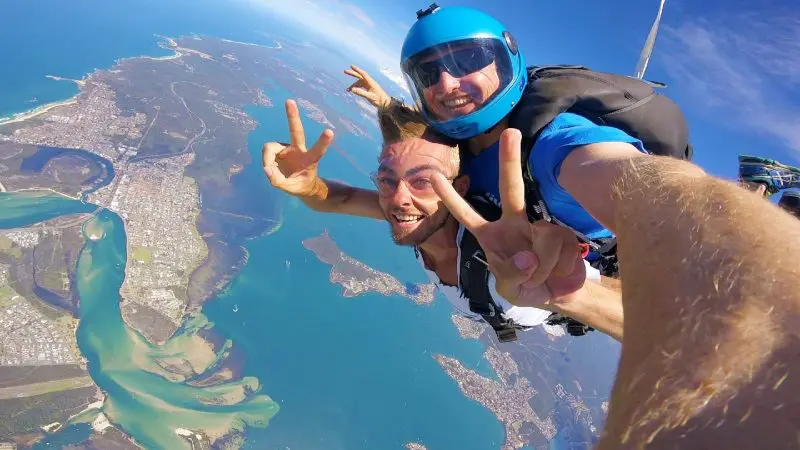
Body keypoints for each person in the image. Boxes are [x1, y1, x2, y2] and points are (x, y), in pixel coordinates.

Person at [431, 125, 800, 449]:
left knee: (689, 315)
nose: (403, 199)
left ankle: (757, 191)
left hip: (583, 268)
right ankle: (757, 192)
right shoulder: (427, 227)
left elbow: (643, 180)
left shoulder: (556, 146)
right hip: (563, 292)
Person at [263, 99, 624, 342]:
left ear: (459, 189)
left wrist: (567, 293)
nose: (398, 198)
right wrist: (308, 186)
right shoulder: (416, 218)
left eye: (423, 181)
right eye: (387, 180)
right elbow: (339, 199)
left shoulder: (507, 249)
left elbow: (651, 319)